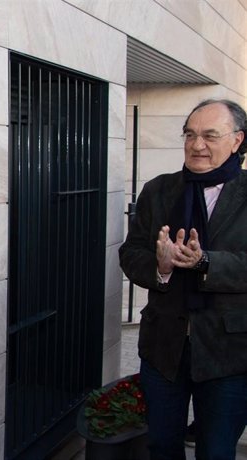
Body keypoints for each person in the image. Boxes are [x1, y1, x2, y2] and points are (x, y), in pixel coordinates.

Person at [119, 99, 247, 459]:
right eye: (189, 134)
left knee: (217, 451)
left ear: (237, 140)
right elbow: (130, 254)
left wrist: (205, 261)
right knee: (161, 445)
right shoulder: (159, 190)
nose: (197, 145)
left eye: (209, 135)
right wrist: (161, 266)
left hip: (229, 353)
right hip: (163, 345)